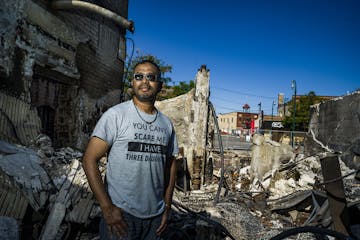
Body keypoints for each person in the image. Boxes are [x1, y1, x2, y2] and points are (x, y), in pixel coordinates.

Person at [83, 60, 179, 240]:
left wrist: (166, 208)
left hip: (155, 218)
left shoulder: (166, 124)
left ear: (160, 85)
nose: (144, 81)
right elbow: (89, 159)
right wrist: (107, 208)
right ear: (132, 83)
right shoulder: (115, 115)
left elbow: (170, 165)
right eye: (139, 77)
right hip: (121, 215)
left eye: (151, 77)